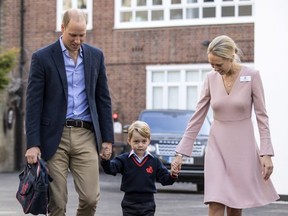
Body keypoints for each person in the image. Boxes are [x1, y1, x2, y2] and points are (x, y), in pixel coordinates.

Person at [172, 35, 279, 216]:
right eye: (211, 64)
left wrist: (266, 153)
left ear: (231, 57)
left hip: (242, 147)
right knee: (215, 201)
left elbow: (262, 117)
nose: (215, 68)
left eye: (218, 64)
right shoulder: (210, 78)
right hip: (217, 147)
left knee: (235, 205)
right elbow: (197, 117)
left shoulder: (252, 76)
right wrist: (180, 153)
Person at [24, 8, 114, 216]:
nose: (77, 40)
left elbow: (103, 99)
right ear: (62, 28)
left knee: (90, 198)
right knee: (57, 201)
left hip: (86, 135)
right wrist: (33, 144)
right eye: (73, 35)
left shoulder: (96, 56)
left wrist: (107, 139)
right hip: (55, 136)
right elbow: (33, 104)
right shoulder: (43, 58)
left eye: (82, 35)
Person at [100, 121, 178, 216]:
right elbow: (111, 169)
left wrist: (173, 174)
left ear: (149, 140)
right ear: (129, 141)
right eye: (136, 141)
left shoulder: (155, 161)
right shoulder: (124, 159)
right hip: (129, 203)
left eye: (144, 141)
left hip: (148, 204)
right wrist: (105, 160)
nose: (140, 145)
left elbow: (165, 180)